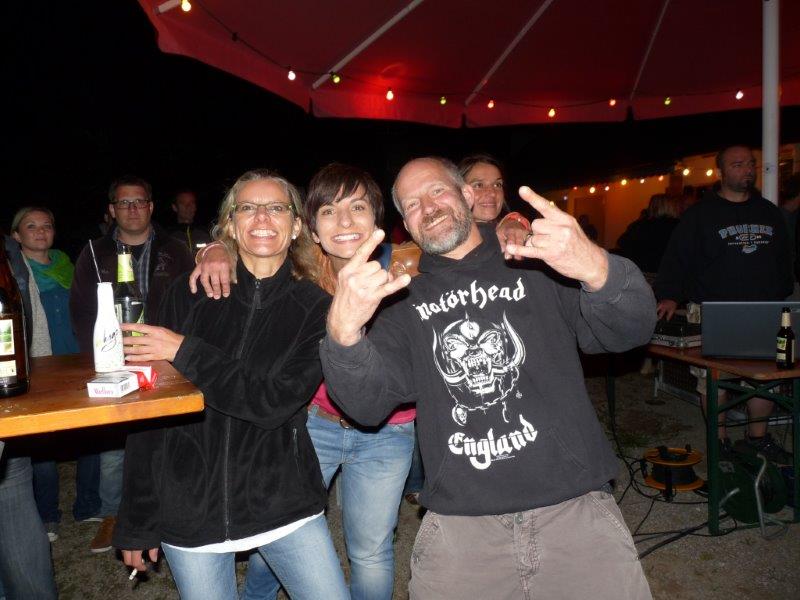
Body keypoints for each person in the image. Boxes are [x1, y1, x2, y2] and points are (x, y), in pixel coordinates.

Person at [319, 157, 655, 599]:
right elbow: (366, 405)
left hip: (573, 510)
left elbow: (631, 330)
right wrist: (343, 336)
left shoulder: (538, 264)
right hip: (461, 531)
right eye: (412, 204)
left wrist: (596, 267)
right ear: (405, 223)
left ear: (467, 194)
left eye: (437, 191)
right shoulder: (401, 302)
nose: (428, 208)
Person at [112, 169, 348, 600]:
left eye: (276, 207)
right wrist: (136, 519)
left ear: (297, 226)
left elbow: (273, 403)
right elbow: (150, 412)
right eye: (248, 207)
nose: (262, 217)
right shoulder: (187, 293)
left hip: (281, 500)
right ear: (231, 224)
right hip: (190, 508)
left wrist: (184, 350)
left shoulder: (315, 307)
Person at [239, 163, 415, 600]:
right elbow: (243, 249)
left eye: (358, 207)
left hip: (390, 432)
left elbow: (470, 241)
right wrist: (213, 254)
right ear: (312, 229)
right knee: (277, 532)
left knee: (371, 552)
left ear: (377, 218)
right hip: (316, 426)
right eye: (329, 211)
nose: (346, 221)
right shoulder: (298, 274)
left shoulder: (409, 268)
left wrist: (511, 221)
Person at [70, 175, 194, 553]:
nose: (133, 208)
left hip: (167, 362)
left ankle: (171, 513)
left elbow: (194, 303)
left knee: (170, 441)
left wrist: (182, 352)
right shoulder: (93, 253)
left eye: (139, 201)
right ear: (112, 210)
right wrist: (98, 357)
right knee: (115, 448)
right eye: (124, 203)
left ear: (151, 206)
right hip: (115, 362)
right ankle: (112, 516)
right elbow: (81, 311)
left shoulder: (176, 250)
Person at [655, 145, 794, 462]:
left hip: (763, 310)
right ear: (721, 171)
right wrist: (669, 294)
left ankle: (758, 438)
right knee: (714, 380)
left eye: (751, 164)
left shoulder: (769, 213)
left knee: (766, 378)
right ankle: (719, 444)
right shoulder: (700, 215)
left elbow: (784, 258)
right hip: (713, 310)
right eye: (738, 164)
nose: (747, 169)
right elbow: (677, 258)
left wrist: (781, 296)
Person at [11, 207, 100, 542]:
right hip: (40, 366)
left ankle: (88, 505)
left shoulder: (69, 266)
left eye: (46, 225)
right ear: (16, 236)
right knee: (41, 447)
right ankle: (47, 514)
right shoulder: (13, 274)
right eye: (31, 226)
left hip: (78, 361)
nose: (40, 231)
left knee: (91, 434)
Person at [0, 235, 58, 600]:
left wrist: (36, 376)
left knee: (18, 530)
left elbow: (28, 317)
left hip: (8, 407)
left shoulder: (10, 257)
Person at [616, 194, 680, 275]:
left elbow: (621, 243)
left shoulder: (638, 225)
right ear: (671, 207)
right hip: (667, 274)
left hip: (641, 273)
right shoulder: (677, 226)